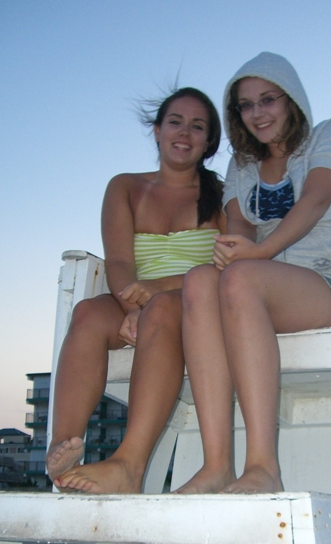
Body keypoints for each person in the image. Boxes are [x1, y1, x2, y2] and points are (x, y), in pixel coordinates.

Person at [178, 52, 331, 495]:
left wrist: (257, 253)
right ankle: (217, 464)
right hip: (260, 291)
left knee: (240, 278)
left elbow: (314, 202)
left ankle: (263, 467)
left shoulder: (328, 135)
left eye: (268, 100)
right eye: (246, 104)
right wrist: (233, 251)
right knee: (201, 280)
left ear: (291, 99)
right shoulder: (241, 166)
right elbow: (238, 228)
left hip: (329, 285)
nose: (257, 113)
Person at [47, 87, 225, 493]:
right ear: (158, 130)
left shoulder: (222, 195)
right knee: (89, 313)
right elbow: (120, 262)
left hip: (194, 303)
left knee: (162, 309)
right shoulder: (125, 187)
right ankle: (64, 445)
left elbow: (227, 267)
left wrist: (154, 297)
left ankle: (129, 466)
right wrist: (133, 303)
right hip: (133, 299)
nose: (184, 132)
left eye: (197, 126)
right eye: (175, 122)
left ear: (209, 140)